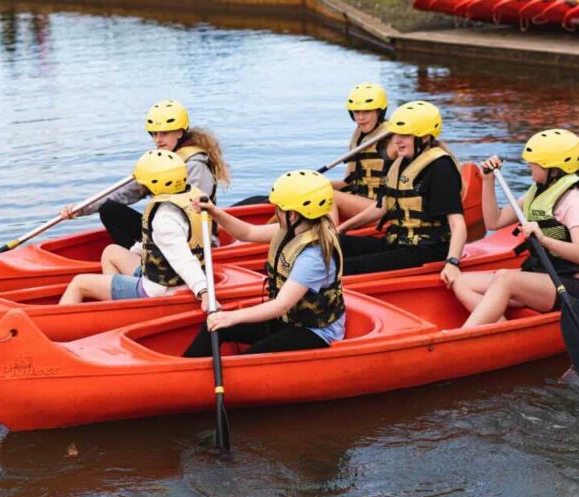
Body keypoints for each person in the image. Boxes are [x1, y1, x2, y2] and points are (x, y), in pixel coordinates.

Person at [183, 170, 345, 356]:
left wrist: (231, 316)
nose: (275, 212)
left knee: (249, 357)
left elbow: (281, 305)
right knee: (215, 327)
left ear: (292, 215)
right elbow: (248, 233)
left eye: (278, 209)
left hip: (314, 330)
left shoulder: (313, 257)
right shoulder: (294, 230)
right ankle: (187, 368)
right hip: (288, 318)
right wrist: (214, 211)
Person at [452, 129, 579, 328]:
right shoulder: (539, 190)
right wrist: (488, 181)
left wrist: (544, 239)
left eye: (534, 163)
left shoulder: (575, 199)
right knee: (462, 282)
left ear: (553, 169)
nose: (528, 165)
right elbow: (494, 222)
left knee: (505, 278)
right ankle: (501, 331)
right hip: (543, 276)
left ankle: (465, 335)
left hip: (574, 284)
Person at [60, 99, 229, 248]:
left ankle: (141, 263)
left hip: (195, 241)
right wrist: (80, 209)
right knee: (110, 210)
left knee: (113, 211)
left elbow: (193, 213)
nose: (158, 140)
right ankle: (136, 260)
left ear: (179, 132)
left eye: (164, 133)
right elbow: (122, 194)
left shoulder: (195, 165)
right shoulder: (160, 162)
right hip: (165, 231)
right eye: (154, 134)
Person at [335, 100, 466, 285]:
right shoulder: (399, 163)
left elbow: (457, 225)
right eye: (396, 134)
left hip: (427, 249)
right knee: (329, 245)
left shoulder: (440, 167)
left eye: (404, 135)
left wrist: (452, 263)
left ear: (425, 137)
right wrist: (341, 229)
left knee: (345, 266)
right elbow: (381, 207)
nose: (397, 140)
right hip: (397, 243)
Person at [59, 150, 211, 309]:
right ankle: (117, 307)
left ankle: (122, 308)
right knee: (111, 252)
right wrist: (136, 254)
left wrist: (204, 292)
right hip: (169, 279)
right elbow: (154, 243)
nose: (139, 186)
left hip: (160, 290)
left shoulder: (164, 219)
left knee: (78, 283)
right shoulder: (188, 200)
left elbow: (183, 260)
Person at [330, 82, 398, 223]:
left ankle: (331, 235)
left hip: (383, 208)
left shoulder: (392, 138)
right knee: (310, 193)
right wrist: (316, 185)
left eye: (367, 112)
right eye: (357, 112)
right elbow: (347, 182)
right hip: (361, 201)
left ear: (379, 111)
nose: (360, 118)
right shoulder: (358, 136)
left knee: (331, 197)